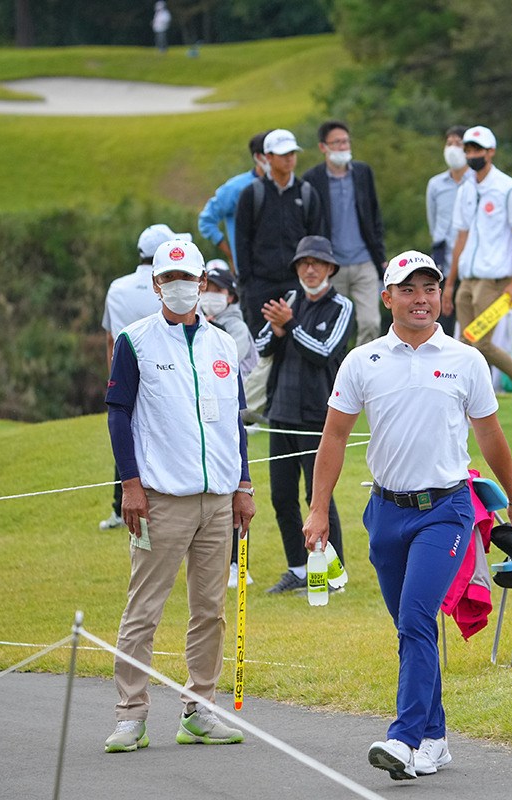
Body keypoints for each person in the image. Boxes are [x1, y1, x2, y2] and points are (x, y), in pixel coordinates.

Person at [302, 250, 512, 780]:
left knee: (415, 619)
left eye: (430, 288)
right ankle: (435, 737)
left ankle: (404, 740)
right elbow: (334, 435)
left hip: (446, 509)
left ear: (440, 297)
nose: (421, 299)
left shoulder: (466, 359)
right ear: (388, 298)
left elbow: (490, 435)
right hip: (385, 511)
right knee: (410, 629)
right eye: (408, 289)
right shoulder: (363, 361)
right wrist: (318, 510)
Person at [103, 238, 254, 753]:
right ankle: (130, 715)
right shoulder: (135, 340)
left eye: (189, 278)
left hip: (217, 499)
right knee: (144, 608)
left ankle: (200, 711)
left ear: (203, 283)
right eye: (170, 279)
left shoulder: (221, 343)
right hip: (160, 498)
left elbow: (235, 420)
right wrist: (130, 484)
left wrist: (244, 485)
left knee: (209, 609)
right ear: (156, 285)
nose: (181, 286)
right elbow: (118, 412)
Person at [255, 236, 354, 595]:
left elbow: (325, 352)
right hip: (280, 412)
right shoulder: (291, 302)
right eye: (303, 263)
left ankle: (334, 574)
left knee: (319, 497)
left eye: (316, 263)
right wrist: (280, 330)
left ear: (329, 268)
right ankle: (298, 569)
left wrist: (291, 326)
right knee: (281, 496)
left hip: (318, 417)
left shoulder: (341, 306)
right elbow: (261, 347)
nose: (309, 269)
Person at [441, 125, 512, 421]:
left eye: (478, 150)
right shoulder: (466, 188)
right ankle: (468, 407)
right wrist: (449, 285)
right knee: (464, 346)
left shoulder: (508, 188)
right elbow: (460, 238)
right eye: (469, 150)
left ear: (491, 152)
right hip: (468, 277)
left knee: (479, 342)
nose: (472, 155)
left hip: (494, 278)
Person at [98, 223, 193, 531]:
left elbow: (111, 338)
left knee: (125, 431)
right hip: (165, 371)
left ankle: (118, 505)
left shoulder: (117, 287)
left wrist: (113, 379)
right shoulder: (170, 289)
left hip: (124, 370)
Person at [234, 128, 325, 419]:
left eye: (292, 154)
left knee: (295, 343)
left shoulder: (307, 193)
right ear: (268, 157)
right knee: (264, 347)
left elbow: (316, 238)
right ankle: (258, 407)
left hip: (296, 283)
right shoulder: (253, 193)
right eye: (283, 154)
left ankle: (282, 408)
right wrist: (247, 280)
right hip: (260, 284)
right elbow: (242, 240)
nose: (289, 160)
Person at [200, 259, 260, 588]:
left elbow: (228, 366)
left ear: (231, 296)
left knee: (238, 491)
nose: (210, 295)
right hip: (203, 420)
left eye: (218, 290)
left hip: (231, 418)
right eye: (206, 289)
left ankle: (240, 564)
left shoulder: (233, 327)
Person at [302, 120, 386, 346]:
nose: (342, 146)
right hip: (331, 265)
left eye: (345, 141)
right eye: (336, 142)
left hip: (364, 261)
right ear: (323, 147)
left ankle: (364, 371)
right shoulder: (312, 179)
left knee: (371, 323)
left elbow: (374, 215)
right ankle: (337, 375)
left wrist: (382, 257)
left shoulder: (362, 172)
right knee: (330, 325)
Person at [197, 132, 268, 273]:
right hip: (250, 272)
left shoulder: (291, 188)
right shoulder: (236, 188)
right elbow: (206, 221)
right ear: (259, 157)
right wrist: (231, 254)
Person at [427, 125, 471, 331]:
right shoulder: (436, 184)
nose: (453, 148)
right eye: (449, 143)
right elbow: (433, 222)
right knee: (442, 321)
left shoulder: (476, 182)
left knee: (471, 327)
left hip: (471, 264)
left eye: (458, 144)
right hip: (443, 262)